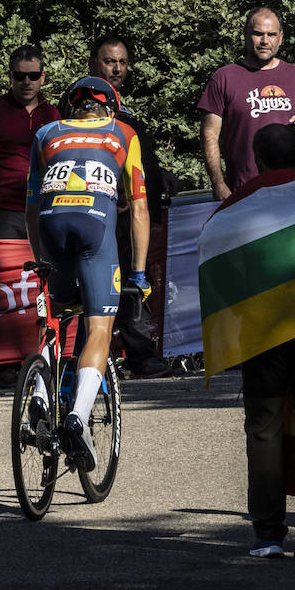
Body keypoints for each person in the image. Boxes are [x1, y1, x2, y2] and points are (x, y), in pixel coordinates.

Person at [211, 124, 295, 560]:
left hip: (260, 329)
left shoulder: (237, 205)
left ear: (257, 161)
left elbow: (211, 256)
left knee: (263, 427)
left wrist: (235, 311)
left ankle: (267, 534)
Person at [25, 77, 149, 474]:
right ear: (110, 108)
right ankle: (78, 415)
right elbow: (140, 209)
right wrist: (140, 274)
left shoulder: (46, 132)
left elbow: (30, 205)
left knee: (57, 315)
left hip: (51, 226)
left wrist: (41, 257)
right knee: (99, 327)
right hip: (95, 228)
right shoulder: (124, 133)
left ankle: (42, 393)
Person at [86, 35, 172, 379]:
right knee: (102, 284)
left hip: (134, 216)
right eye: (109, 61)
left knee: (135, 282)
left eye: (122, 62)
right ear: (94, 63)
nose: (117, 68)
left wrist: (160, 174)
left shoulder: (124, 109)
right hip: (100, 214)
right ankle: (103, 358)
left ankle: (139, 355)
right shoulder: (83, 104)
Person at [199, 6, 295, 200]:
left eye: (271, 34)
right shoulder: (224, 77)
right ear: (246, 35)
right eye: (258, 34)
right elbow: (209, 134)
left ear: (280, 37)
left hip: (291, 191)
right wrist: (218, 184)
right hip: (243, 192)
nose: (265, 41)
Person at [0, 44, 61, 238]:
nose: (27, 82)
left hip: (43, 208)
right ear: (10, 77)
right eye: (19, 76)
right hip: (1, 209)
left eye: (33, 76)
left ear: (42, 77)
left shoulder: (53, 114)